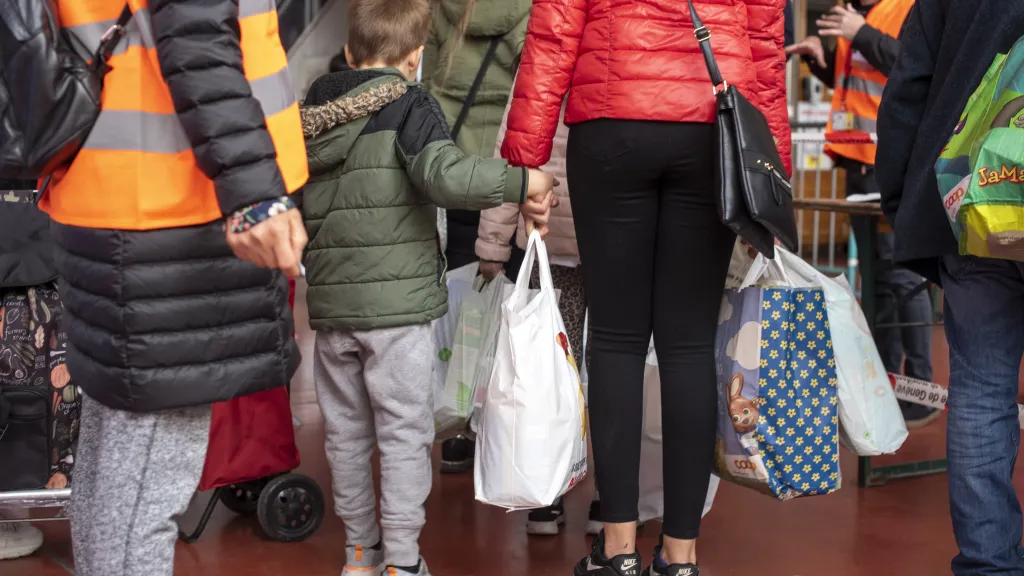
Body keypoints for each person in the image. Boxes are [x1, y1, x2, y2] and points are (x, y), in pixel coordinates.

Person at [502, 0, 789, 574]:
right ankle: (681, 556)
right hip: (712, 123)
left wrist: (526, 165)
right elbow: (764, 47)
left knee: (614, 340)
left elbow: (554, 34)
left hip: (612, 122)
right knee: (687, 347)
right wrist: (771, 171)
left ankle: (618, 551)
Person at [37, 1, 309, 574]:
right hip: (173, 208)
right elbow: (195, 34)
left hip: (111, 188)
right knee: (143, 489)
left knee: (115, 469)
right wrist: (256, 190)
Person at [297, 0, 554, 574]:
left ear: (348, 52)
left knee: (345, 437)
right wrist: (522, 178)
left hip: (333, 312)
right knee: (404, 435)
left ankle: (360, 554)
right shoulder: (411, 104)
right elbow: (445, 175)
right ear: (416, 58)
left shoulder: (312, 109)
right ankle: (404, 561)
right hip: (397, 314)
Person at [876, 1, 1024, 573]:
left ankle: (990, 562)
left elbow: (908, 85)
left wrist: (903, 199)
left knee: (982, 391)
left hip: (971, 204)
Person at [785, 0, 939, 430]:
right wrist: (823, 63)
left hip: (891, 163)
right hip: (861, 163)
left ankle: (921, 388)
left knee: (903, 278)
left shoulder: (909, 9)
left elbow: (911, 68)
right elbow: (861, 86)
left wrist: (861, 34)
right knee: (877, 283)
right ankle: (887, 385)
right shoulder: (866, 16)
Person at [421, 0, 532, 474]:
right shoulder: (529, 9)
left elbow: (425, 82)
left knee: (462, 292)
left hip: (447, 160)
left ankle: (458, 421)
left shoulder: (446, 6)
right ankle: (498, 416)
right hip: (498, 167)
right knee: (505, 297)